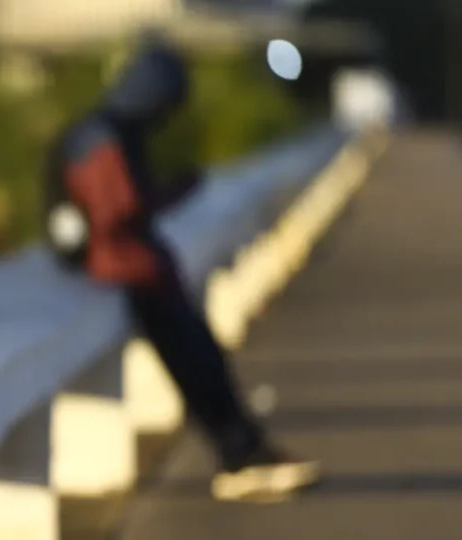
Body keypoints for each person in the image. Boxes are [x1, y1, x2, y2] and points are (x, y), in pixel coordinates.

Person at [43, 39, 320, 501]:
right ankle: (240, 457)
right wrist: (169, 193)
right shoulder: (101, 138)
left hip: (133, 268)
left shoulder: (104, 129)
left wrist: (170, 192)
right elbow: (117, 211)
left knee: (204, 357)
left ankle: (247, 450)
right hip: (126, 271)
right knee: (196, 362)